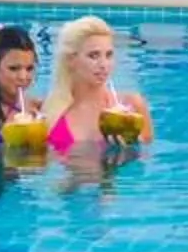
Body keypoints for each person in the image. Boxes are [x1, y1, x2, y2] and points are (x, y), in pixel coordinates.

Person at [38, 16, 153, 154]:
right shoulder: (53, 113)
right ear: (71, 60)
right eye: (93, 56)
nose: (104, 65)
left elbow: (147, 163)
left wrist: (131, 150)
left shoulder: (133, 106)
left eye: (109, 55)